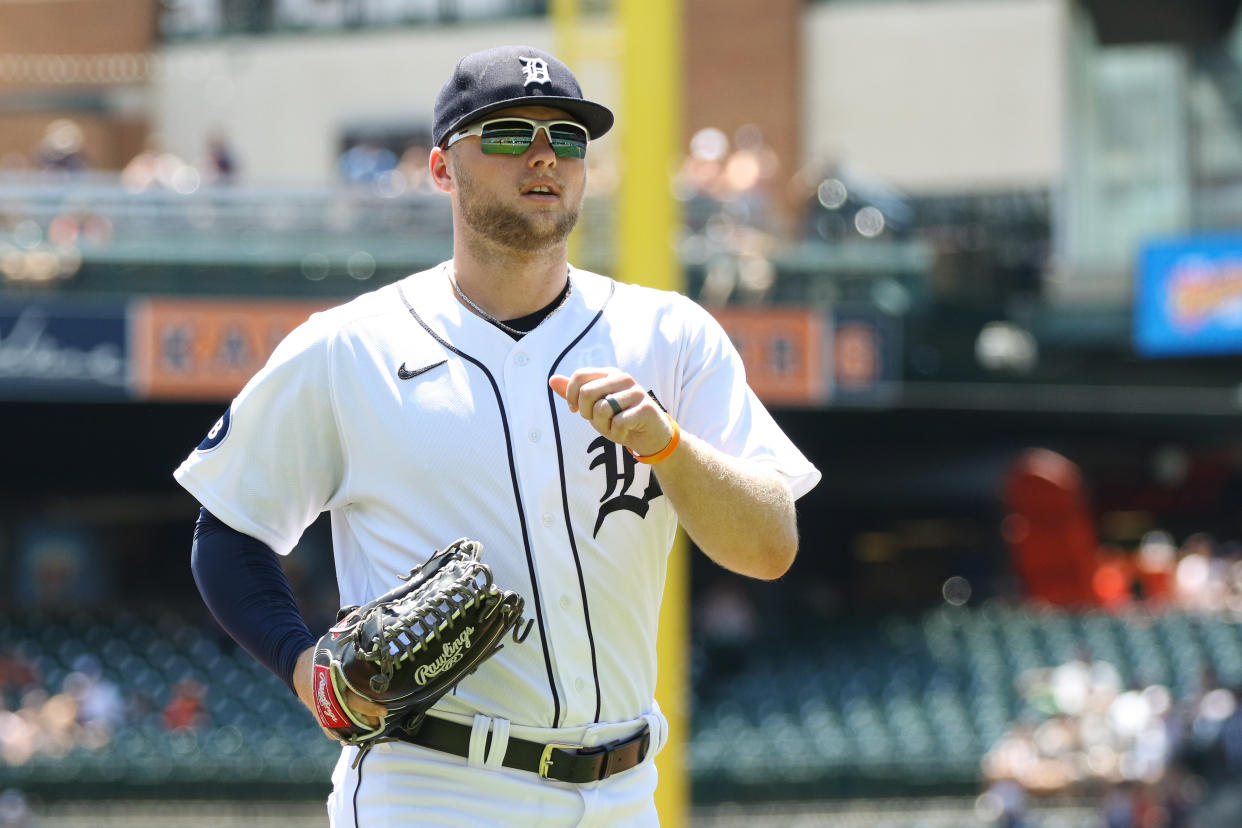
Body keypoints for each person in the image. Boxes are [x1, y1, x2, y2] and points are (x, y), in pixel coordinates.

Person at [174, 45, 820, 826]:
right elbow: (228, 532)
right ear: (444, 169)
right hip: (433, 786)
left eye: (569, 138)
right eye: (511, 133)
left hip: (624, 792)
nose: (545, 155)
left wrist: (670, 450)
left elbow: (770, 546)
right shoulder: (350, 346)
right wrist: (303, 664)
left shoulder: (671, 335)